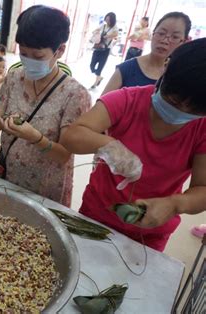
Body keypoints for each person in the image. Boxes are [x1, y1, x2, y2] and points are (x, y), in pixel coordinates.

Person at [61, 38, 206, 252]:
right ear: (166, 68)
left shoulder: (201, 128)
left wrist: (175, 204)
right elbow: (71, 136)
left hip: (150, 232)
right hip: (97, 214)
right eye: (173, 101)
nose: (178, 111)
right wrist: (109, 145)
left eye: (191, 111)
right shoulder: (128, 100)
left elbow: (202, 189)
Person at [0, 5, 91, 207]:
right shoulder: (14, 77)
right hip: (7, 177)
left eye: (38, 56)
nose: (29, 61)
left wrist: (35, 137)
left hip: (44, 188)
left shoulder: (75, 95)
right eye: (24, 54)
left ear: (59, 50)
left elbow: (63, 155)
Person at [102, 12, 191, 95]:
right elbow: (100, 107)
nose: (165, 41)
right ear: (153, 34)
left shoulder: (179, 76)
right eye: (161, 33)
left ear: (183, 42)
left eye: (175, 37)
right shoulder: (126, 69)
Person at [89, 12, 118, 89]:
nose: (107, 21)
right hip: (98, 47)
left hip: (106, 49)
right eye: (106, 19)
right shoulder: (103, 25)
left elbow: (116, 35)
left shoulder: (114, 27)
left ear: (112, 20)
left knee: (100, 67)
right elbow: (95, 30)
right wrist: (95, 33)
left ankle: (95, 83)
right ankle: (99, 77)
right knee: (92, 65)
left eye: (109, 20)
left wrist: (107, 36)